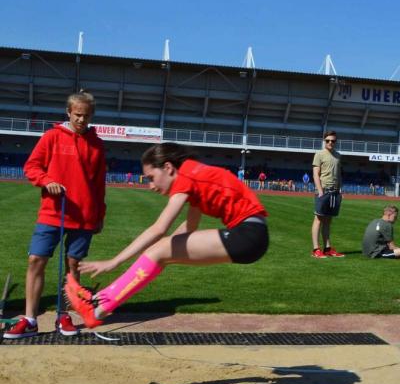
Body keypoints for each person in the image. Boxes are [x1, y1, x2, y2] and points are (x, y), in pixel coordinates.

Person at [65, 142, 269, 328]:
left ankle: (96, 304)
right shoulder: (195, 175)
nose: (151, 186)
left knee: (160, 248)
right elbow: (190, 226)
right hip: (252, 236)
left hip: (248, 235)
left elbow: (159, 228)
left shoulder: (187, 175)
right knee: (161, 250)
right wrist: (160, 249)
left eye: (152, 178)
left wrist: (114, 261)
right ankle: (97, 310)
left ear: (168, 168)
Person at [4, 92, 106, 339]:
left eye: (86, 115)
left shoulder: (97, 144)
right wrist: (47, 180)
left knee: (73, 266)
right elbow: (32, 167)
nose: (81, 120)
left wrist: (100, 215)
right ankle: (30, 319)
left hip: (84, 216)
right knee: (36, 260)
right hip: (53, 212)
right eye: (77, 114)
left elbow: (99, 184)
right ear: (68, 112)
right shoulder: (51, 137)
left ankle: (64, 315)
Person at [311, 130, 344, 258]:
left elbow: (339, 174)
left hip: (335, 192)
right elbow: (315, 174)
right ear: (324, 141)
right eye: (328, 140)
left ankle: (327, 248)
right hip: (323, 190)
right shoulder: (319, 154)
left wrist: (340, 190)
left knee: (328, 221)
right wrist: (320, 191)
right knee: (318, 219)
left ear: (336, 142)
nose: (330, 143)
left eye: (333, 141)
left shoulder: (338, 155)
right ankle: (315, 249)